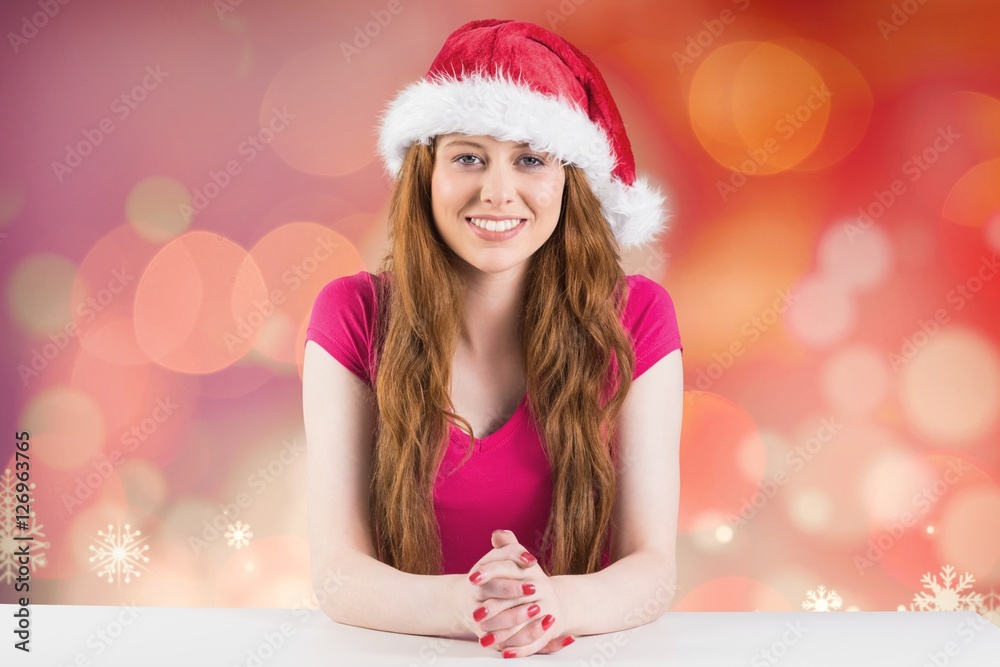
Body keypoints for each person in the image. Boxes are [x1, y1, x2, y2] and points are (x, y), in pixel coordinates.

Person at [302, 18, 683, 659]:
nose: (498, 192)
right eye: (468, 157)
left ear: (570, 179)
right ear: (426, 173)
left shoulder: (637, 317)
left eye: (530, 159)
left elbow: (653, 569)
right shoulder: (352, 316)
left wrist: (553, 605)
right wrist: (472, 602)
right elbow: (338, 575)